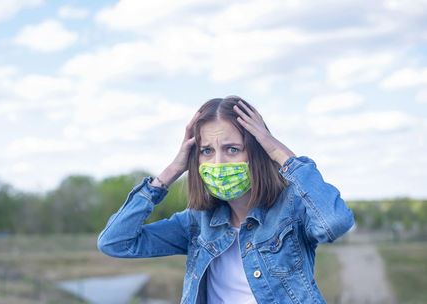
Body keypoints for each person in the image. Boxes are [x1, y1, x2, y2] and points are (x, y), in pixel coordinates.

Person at [97, 96, 354, 304]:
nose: (218, 163)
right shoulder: (196, 222)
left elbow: (335, 223)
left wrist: (278, 151)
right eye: (207, 151)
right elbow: (115, 242)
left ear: (257, 153)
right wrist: (172, 171)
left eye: (232, 149)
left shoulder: (292, 210)